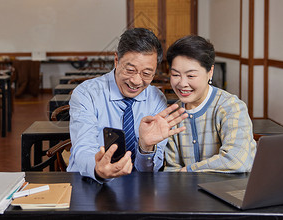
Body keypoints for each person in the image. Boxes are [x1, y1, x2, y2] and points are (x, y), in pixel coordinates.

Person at [67, 28, 188, 182]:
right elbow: (83, 148)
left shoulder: (156, 99)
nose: (136, 81)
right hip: (89, 181)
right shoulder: (87, 94)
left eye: (146, 74)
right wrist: (98, 168)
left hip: (138, 187)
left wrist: (146, 148)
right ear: (116, 60)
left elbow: (150, 170)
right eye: (130, 70)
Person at [164, 35, 256, 173]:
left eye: (191, 76)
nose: (182, 83)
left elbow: (237, 160)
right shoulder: (173, 114)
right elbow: (171, 170)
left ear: (210, 72)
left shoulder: (231, 107)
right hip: (187, 192)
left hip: (232, 190)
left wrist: (188, 170)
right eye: (176, 75)